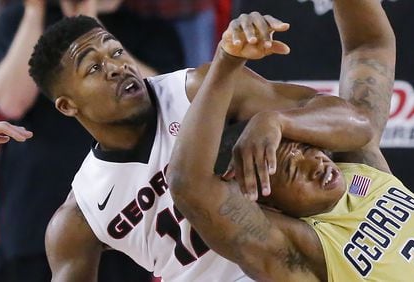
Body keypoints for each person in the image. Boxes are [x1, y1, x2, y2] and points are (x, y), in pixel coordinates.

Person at [27, 9, 372, 281]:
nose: (117, 68)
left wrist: (278, 121)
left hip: (294, 265)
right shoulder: (80, 214)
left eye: (117, 52)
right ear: (67, 105)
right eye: (95, 68)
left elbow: (355, 125)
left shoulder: (198, 90)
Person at [167, 0, 414, 281]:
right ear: (267, 204)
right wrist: (227, 62)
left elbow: (368, 48)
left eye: (307, 148)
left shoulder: (361, 167)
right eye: (292, 171)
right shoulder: (299, 251)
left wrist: (276, 119)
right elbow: (189, 185)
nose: (315, 163)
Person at [0, 0, 182, 281]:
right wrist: (34, 12)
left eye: (116, 52)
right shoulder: (15, 22)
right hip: (34, 216)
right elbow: (11, 102)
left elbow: (166, 99)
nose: (114, 66)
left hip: (129, 218)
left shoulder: (150, 28)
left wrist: (91, 29)